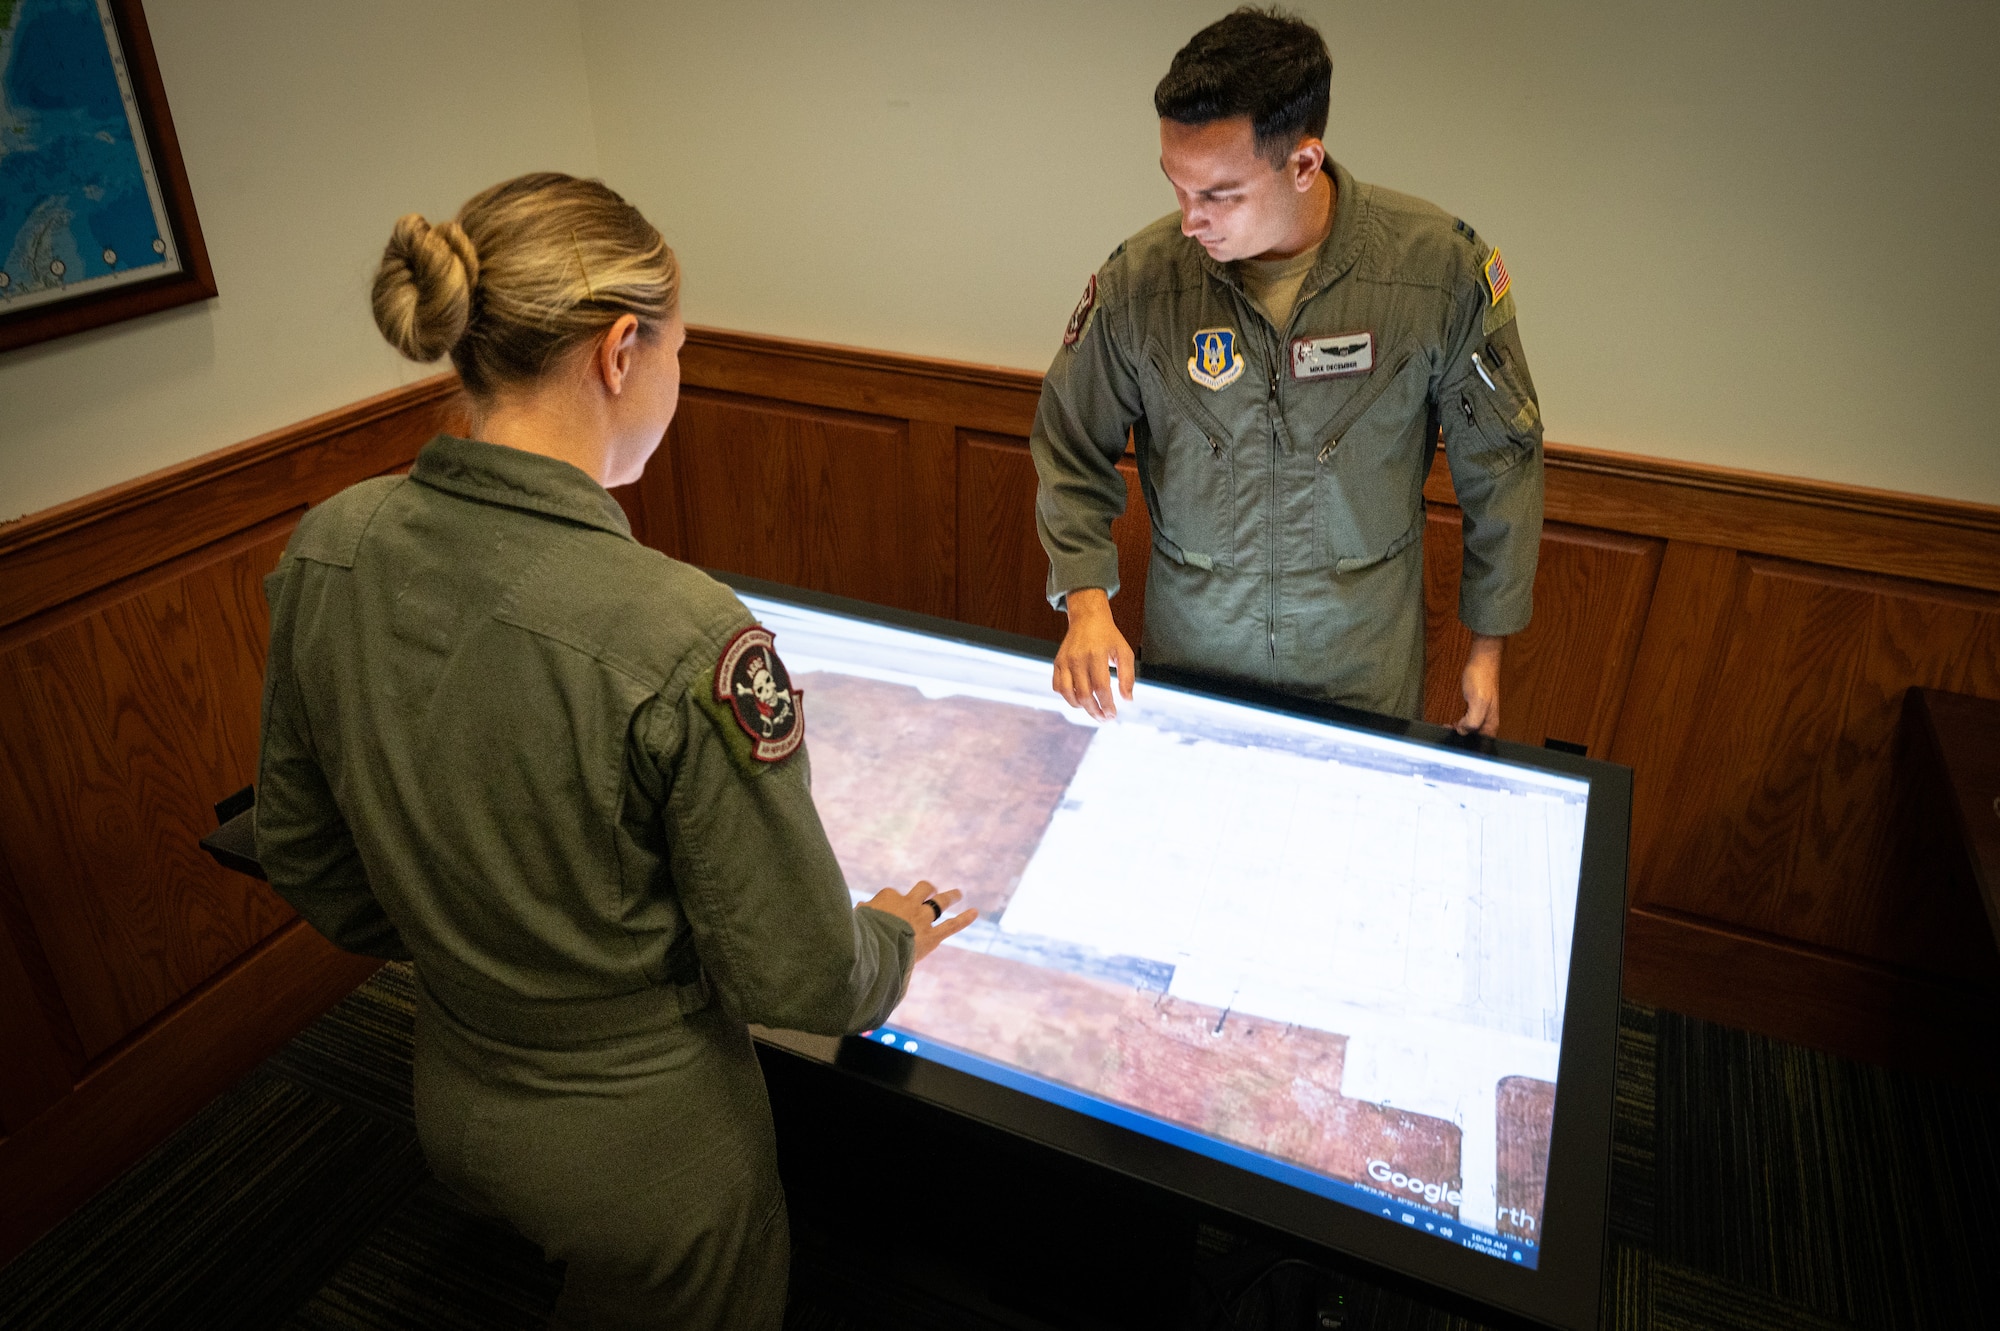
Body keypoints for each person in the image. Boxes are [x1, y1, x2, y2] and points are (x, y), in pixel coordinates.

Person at [254, 172, 975, 1330]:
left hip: (447, 1079)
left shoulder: (332, 540)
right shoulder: (684, 630)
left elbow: (300, 846)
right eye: (681, 350)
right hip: (651, 1154)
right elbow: (799, 977)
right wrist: (890, 931)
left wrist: (477, 936)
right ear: (621, 348)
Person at [1033, 7, 1544, 732]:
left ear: (1303, 163)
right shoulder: (1141, 286)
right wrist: (1086, 602)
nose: (1189, 220)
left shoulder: (1437, 277)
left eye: (1219, 194)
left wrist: (1487, 646)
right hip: (1194, 659)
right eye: (1176, 186)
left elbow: (1501, 464)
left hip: (1359, 672)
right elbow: (1068, 445)